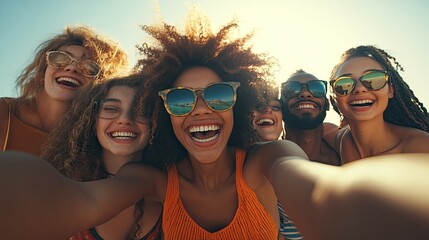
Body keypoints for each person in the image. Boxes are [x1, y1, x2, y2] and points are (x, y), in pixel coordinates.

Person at [1, 15, 429, 240]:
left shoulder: (267, 160)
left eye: (219, 96)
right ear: (166, 112)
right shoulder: (153, 179)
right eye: (183, 99)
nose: (201, 110)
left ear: (237, 106)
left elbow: (321, 191)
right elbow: (80, 201)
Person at [42, 75, 163, 240]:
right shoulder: (62, 184)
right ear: (92, 120)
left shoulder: (168, 183)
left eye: (141, 110)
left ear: (155, 121)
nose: (125, 120)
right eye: (111, 109)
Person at [0, 25, 128, 156]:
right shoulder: (5, 111)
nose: (72, 68)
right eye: (60, 58)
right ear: (42, 73)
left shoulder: (95, 141)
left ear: (99, 85)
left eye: (89, 67)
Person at [328, 45, 429, 164]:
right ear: (334, 98)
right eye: (344, 84)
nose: (360, 89)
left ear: (390, 90)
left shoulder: (421, 148)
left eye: (374, 79)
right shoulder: (338, 138)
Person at [251, 83, 302, 240]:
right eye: (258, 105)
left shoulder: (289, 153)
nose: (267, 110)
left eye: (275, 106)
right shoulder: (235, 164)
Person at [281, 69, 340, 165]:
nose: (305, 93)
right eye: (291, 89)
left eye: (317, 88)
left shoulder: (343, 154)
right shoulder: (263, 159)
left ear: (327, 104)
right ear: (280, 106)